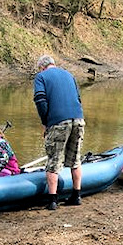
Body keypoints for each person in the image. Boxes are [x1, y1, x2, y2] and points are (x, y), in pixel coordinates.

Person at [33, 54, 85, 210]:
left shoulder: (41, 77)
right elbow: (78, 98)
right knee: (75, 159)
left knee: (53, 161)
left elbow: (40, 100)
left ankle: (52, 201)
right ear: (53, 64)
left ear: (42, 67)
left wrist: (46, 122)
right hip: (78, 119)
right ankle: (76, 196)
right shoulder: (69, 75)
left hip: (58, 122)